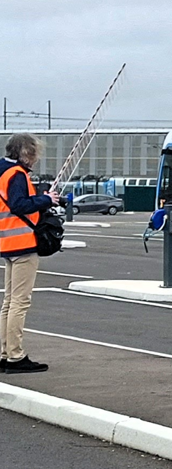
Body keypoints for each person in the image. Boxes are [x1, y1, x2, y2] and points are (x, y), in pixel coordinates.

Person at [0, 133, 61, 374]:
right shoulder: (16, 174)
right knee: (19, 302)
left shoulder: (2, 171)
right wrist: (45, 200)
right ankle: (15, 355)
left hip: (6, 240)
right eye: (34, 153)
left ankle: (4, 353)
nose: (36, 158)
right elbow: (19, 205)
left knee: (8, 301)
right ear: (26, 152)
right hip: (22, 241)